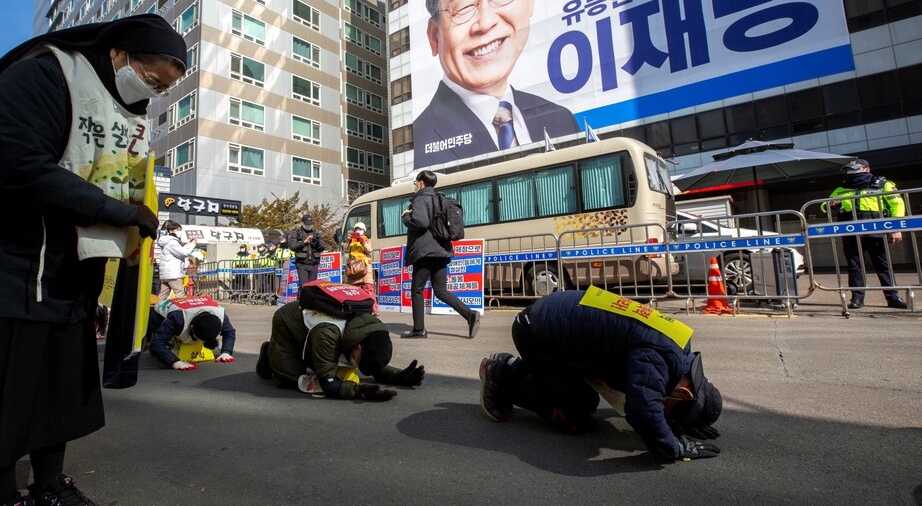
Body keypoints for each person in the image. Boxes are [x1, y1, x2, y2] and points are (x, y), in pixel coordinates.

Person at [0, 14, 186, 506]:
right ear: (119, 52)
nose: (152, 92)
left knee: (53, 392)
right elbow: (18, 165)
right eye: (151, 78)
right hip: (1, 267)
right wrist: (119, 211)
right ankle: (2, 496)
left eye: (163, 89)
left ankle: (49, 485)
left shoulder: (130, 113)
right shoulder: (43, 75)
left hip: (66, 276)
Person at [413, 0, 579, 169]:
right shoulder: (420, 139)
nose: (486, 22)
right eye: (463, 6)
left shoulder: (561, 120)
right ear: (434, 36)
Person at [478, 289, 723, 464]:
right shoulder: (658, 357)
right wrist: (673, 445)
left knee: (584, 401)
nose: (666, 412)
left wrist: (680, 420)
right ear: (684, 393)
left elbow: (648, 395)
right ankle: (499, 375)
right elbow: (643, 409)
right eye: (675, 409)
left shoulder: (679, 347)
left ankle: (518, 370)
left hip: (559, 322)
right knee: (573, 416)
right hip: (537, 333)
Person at [255, 300, 424, 400]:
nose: (359, 368)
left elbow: (372, 363)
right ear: (357, 348)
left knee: (328, 362)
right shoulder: (328, 335)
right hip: (289, 323)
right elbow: (328, 385)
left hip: (316, 333)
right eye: (359, 359)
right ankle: (270, 354)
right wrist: (360, 392)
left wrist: (398, 376)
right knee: (298, 379)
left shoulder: (370, 331)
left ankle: (286, 353)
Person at [401, 170, 480, 339]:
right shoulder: (440, 199)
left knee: (417, 290)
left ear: (421, 183)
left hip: (425, 252)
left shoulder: (420, 199)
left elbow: (421, 222)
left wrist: (407, 218)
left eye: (416, 182)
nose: (415, 185)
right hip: (441, 251)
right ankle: (469, 314)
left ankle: (418, 329)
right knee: (441, 291)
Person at [822, 158, 907, 309]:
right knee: (854, 265)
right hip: (851, 231)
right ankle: (857, 298)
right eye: (849, 170)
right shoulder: (842, 187)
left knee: (882, 265)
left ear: (867, 169)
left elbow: (897, 205)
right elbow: (823, 205)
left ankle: (892, 297)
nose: (851, 172)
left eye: (854, 169)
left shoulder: (882, 184)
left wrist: (896, 228)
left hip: (875, 229)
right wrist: (830, 204)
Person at [147, 297, 236, 370]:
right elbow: (157, 343)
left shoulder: (220, 315)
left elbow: (229, 332)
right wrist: (174, 362)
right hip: (159, 314)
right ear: (191, 327)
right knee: (162, 352)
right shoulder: (177, 318)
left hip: (194, 307)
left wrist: (226, 352)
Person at [156, 220, 197, 300]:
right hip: (173, 274)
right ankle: (180, 311)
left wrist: (188, 244)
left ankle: (155, 309)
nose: (179, 232)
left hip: (166, 274)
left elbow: (179, 251)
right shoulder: (172, 242)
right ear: (170, 231)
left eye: (180, 230)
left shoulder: (166, 242)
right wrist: (192, 245)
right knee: (179, 294)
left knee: (162, 295)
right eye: (177, 230)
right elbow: (183, 253)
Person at [343, 222, 377, 313]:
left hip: (365, 266)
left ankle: (374, 309)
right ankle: (354, 309)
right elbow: (345, 250)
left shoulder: (367, 239)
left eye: (360, 229)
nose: (358, 231)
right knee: (353, 289)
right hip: (353, 267)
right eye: (356, 229)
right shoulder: (351, 241)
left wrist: (362, 242)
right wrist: (349, 240)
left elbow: (369, 250)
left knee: (368, 288)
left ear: (364, 230)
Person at [288, 214, 325, 285]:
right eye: (307, 224)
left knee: (312, 287)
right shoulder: (296, 233)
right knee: (304, 286)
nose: (309, 226)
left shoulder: (316, 234)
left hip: (314, 264)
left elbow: (323, 247)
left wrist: (316, 242)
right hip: (302, 264)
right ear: (302, 223)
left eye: (310, 224)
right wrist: (304, 242)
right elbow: (292, 247)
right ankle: (301, 296)